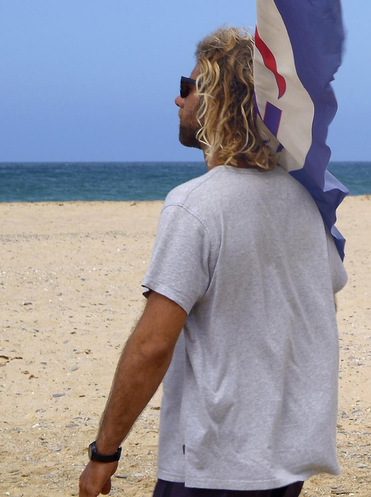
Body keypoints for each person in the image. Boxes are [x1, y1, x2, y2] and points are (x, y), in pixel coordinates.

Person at [79, 27, 347, 497]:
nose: (178, 99)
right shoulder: (305, 203)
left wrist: (105, 452)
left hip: (212, 465)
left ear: (217, 100)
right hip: (284, 464)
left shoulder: (195, 206)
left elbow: (152, 345)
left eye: (188, 86)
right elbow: (321, 305)